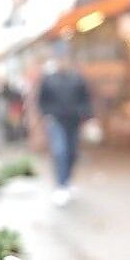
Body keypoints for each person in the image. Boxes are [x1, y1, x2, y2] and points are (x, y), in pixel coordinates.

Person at [37, 55, 93, 206]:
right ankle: (60, 185)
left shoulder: (77, 79)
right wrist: (47, 114)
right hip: (56, 121)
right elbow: (42, 100)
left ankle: (67, 182)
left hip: (74, 121)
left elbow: (85, 99)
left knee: (72, 153)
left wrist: (87, 116)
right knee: (60, 151)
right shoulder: (49, 79)